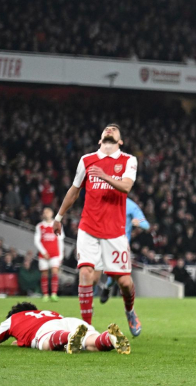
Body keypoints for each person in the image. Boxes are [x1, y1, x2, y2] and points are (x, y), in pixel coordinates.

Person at [53, 124, 142, 336]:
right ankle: (87, 330)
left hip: (115, 231)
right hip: (89, 227)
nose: (110, 130)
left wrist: (104, 176)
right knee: (85, 274)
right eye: (107, 129)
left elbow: (127, 186)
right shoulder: (86, 160)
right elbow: (74, 191)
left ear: (120, 141)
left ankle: (130, 311)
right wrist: (59, 216)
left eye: (114, 129)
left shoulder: (128, 160)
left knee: (125, 283)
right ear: (100, 139)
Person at [0, 302, 130, 354]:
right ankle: (108, 338)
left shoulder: (13, 319)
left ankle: (68, 337)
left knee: (46, 343)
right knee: (91, 344)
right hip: (68, 320)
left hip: (47, 329)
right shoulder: (48, 312)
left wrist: (10, 336)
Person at [100, 198, 150, 304]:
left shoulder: (131, 206)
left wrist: (138, 223)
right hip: (106, 241)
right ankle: (107, 288)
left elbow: (146, 224)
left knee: (118, 274)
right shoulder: (106, 203)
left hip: (121, 245)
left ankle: (108, 288)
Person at [35, 207, 64, 301]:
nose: (46, 214)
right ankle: (45, 295)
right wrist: (43, 252)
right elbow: (36, 241)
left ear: (52, 213)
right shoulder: (39, 226)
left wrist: (61, 255)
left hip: (55, 253)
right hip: (44, 255)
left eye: (48, 212)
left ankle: (54, 294)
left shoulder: (57, 225)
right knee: (44, 274)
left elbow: (60, 240)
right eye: (45, 212)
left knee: (55, 272)